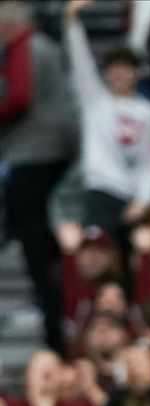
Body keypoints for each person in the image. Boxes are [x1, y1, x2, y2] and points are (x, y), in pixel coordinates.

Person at [0, 0, 75, 352]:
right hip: (51, 153)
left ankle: (53, 333)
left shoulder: (23, 47)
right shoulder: (42, 45)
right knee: (37, 244)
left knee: (33, 249)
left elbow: (17, 97)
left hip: (32, 155)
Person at [64, 0, 150, 239]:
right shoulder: (94, 100)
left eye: (126, 67)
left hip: (133, 199)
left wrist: (144, 199)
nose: (119, 73)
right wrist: (71, 21)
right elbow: (80, 62)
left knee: (137, 259)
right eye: (113, 68)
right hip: (99, 192)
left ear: (137, 72)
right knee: (96, 255)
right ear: (105, 72)